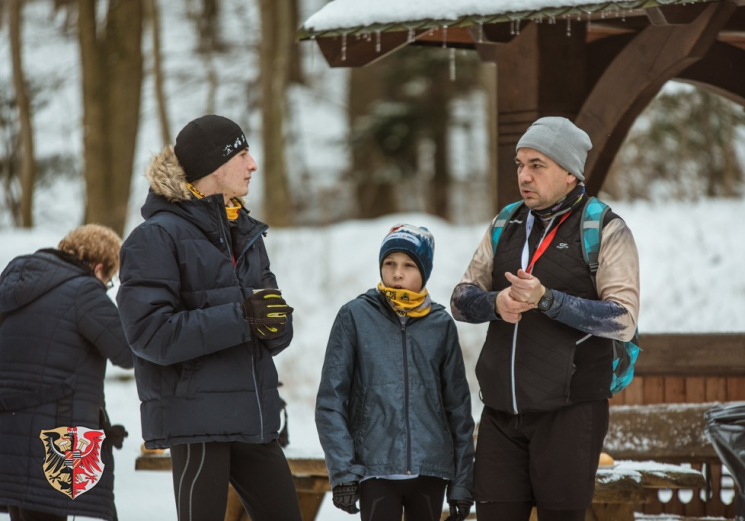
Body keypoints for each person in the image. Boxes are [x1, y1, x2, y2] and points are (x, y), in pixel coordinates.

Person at [450, 117, 640, 521]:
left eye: (537, 165)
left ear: (570, 173)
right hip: (502, 413)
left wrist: (548, 300)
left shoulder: (604, 228)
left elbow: (623, 319)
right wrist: (495, 304)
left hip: (570, 414)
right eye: (520, 164)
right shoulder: (505, 223)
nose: (524, 175)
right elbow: (460, 300)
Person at [116, 115, 301, 521]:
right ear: (214, 166)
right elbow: (150, 334)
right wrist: (242, 317)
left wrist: (276, 323)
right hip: (196, 420)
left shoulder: (246, 233)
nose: (253, 164)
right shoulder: (155, 237)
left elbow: (269, 325)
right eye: (243, 154)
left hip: (254, 417)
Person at [316, 224, 475, 521]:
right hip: (374, 469)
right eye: (389, 263)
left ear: (424, 272)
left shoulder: (440, 324)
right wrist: (343, 472)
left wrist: (462, 483)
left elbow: (458, 410)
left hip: (431, 471)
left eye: (408, 265)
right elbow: (330, 402)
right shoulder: (355, 316)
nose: (397, 274)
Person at [0, 224, 133, 521]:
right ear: (99, 267)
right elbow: (127, 351)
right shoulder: (84, 290)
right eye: (108, 281)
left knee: (24, 512)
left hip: (10, 430)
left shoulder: (14, 285)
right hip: (57, 434)